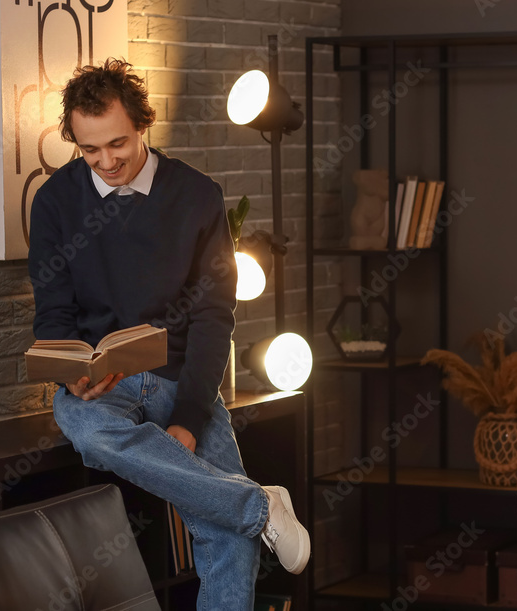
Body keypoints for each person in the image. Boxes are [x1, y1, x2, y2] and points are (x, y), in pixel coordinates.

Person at [28, 58, 310, 610]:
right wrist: (71, 373)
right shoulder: (56, 202)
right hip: (102, 388)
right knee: (88, 434)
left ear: (143, 125)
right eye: (90, 150)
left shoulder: (197, 195)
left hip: (181, 379)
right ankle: (258, 505)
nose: (106, 161)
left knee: (227, 540)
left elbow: (212, 316)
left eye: (118, 144)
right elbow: (53, 313)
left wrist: (187, 418)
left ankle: (242, 513)